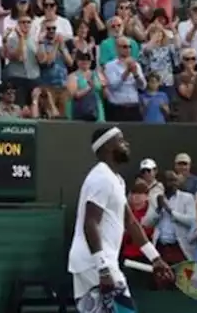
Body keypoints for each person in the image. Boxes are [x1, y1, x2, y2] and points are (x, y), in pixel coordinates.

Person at [67, 127, 171, 313]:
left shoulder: (116, 180)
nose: (127, 144)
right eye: (121, 140)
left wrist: (155, 258)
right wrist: (103, 268)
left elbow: (130, 222)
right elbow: (90, 223)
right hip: (96, 263)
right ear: (108, 147)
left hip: (92, 262)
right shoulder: (101, 178)